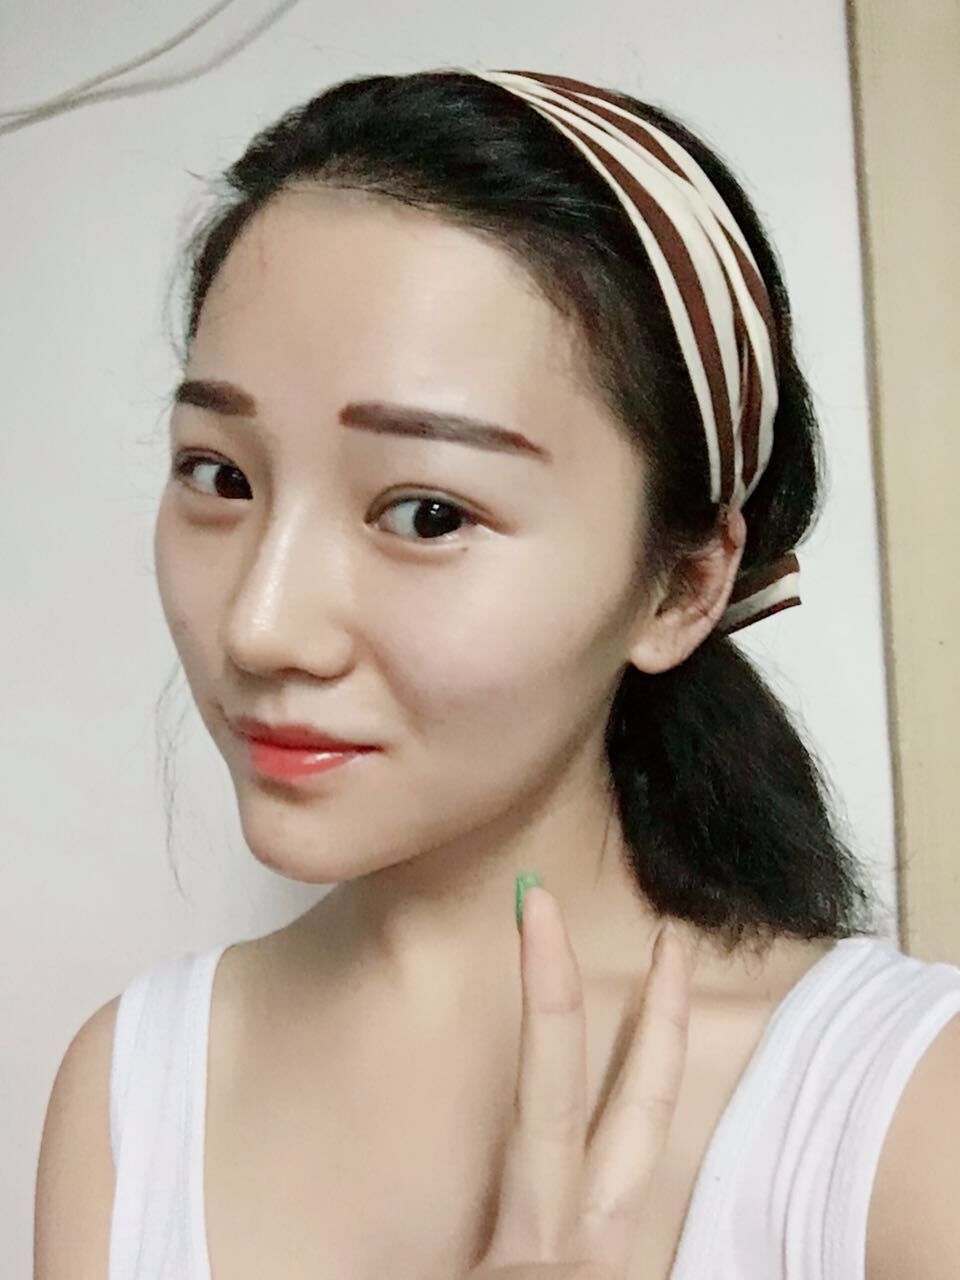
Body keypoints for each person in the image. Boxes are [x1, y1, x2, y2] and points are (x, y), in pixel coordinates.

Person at [34, 68, 960, 1280]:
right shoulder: (131, 1093)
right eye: (221, 476)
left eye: (426, 511)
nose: (260, 626)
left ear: (681, 584)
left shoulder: (898, 1120)